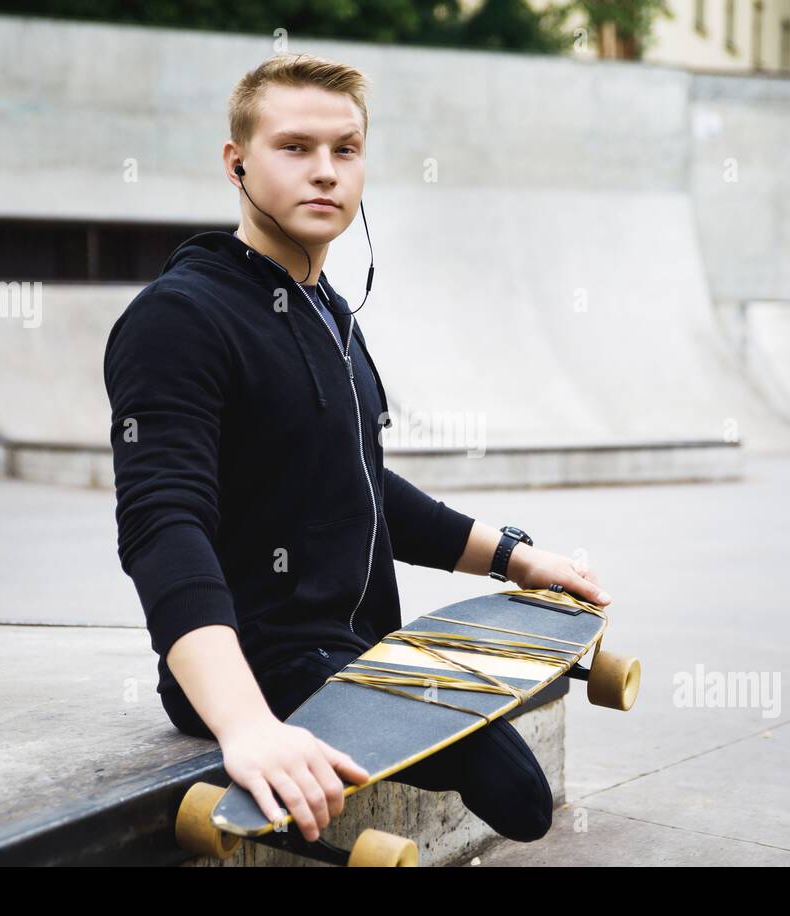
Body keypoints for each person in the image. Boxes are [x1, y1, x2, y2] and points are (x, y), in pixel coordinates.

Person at [103, 53, 611, 846]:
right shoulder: (180, 318)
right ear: (236, 163)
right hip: (262, 662)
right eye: (295, 148)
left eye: (346, 150)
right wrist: (244, 724)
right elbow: (163, 526)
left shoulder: (326, 309)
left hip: (353, 642)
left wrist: (514, 558)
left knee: (518, 793)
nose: (325, 172)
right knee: (516, 792)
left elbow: (361, 481)